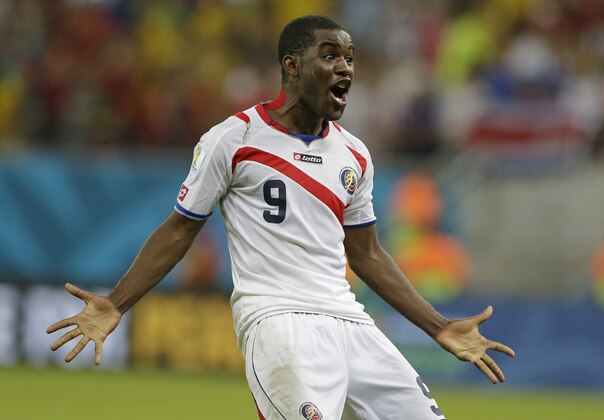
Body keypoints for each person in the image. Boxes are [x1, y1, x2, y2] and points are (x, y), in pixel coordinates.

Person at [47, 15, 515, 420]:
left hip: (351, 322)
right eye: (330, 56)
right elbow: (179, 230)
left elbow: (367, 254)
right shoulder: (233, 139)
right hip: (276, 320)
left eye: (349, 59)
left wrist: (438, 325)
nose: (345, 68)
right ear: (292, 65)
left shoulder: (355, 155)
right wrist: (117, 303)